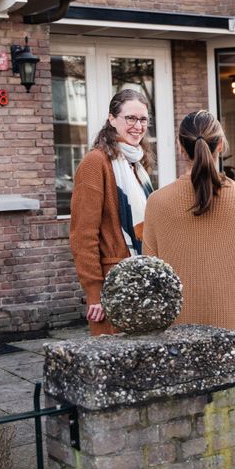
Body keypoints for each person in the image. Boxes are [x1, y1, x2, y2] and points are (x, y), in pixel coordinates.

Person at [143, 110, 235, 468]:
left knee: (185, 436)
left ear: (182, 149)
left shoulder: (157, 203)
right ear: (221, 145)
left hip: (179, 342)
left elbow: (152, 280)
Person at [69, 89, 154, 336]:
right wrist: (94, 293)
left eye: (143, 120)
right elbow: (83, 235)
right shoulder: (96, 163)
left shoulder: (137, 165)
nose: (138, 126)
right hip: (113, 285)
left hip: (142, 278)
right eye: (130, 118)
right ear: (112, 118)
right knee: (115, 365)